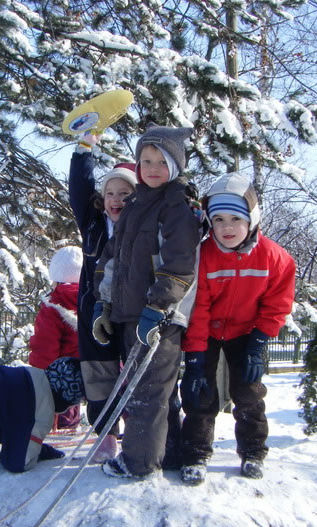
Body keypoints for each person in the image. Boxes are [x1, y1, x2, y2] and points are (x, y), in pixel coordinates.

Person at [92, 123, 201, 479]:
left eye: (161, 161)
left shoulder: (176, 207)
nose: (152, 168)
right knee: (157, 392)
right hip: (129, 314)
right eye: (146, 160)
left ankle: (138, 463)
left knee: (147, 392)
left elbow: (180, 265)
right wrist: (104, 304)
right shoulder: (136, 204)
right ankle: (169, 454)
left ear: (175, 165)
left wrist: (158, 307)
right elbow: (113, 260)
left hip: (159, 318)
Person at [179, 173, 296, 485]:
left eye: (235, 219)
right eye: (218, 220)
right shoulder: (203, 255)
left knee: (248, 393)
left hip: (246, 332)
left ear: (251, 219)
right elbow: (197, 307)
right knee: (200, 393)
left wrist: (259, 343)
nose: (226, 227)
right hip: (207, 331)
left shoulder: (274, 257)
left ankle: (253, 451)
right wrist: (195, 357)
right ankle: (196, 452)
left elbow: (278, 303)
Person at [68, 132, 137, 461]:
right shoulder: (93, 224)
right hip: (93, 312)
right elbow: (80, 189)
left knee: (138, 372)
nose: (115, 199)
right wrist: (84, 150)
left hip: (131, 312)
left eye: (124, 193)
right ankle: (105, 435)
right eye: (110, 192)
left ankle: (142, 431)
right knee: (98, 374)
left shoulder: (145, 229)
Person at [28, 245, 84, 429]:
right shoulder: (92, 301)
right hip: (90, 370)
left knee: (59, 412)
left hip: (61, 377)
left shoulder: (54, 305)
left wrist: (41, 380)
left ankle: (60, 428)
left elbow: (45, 348)